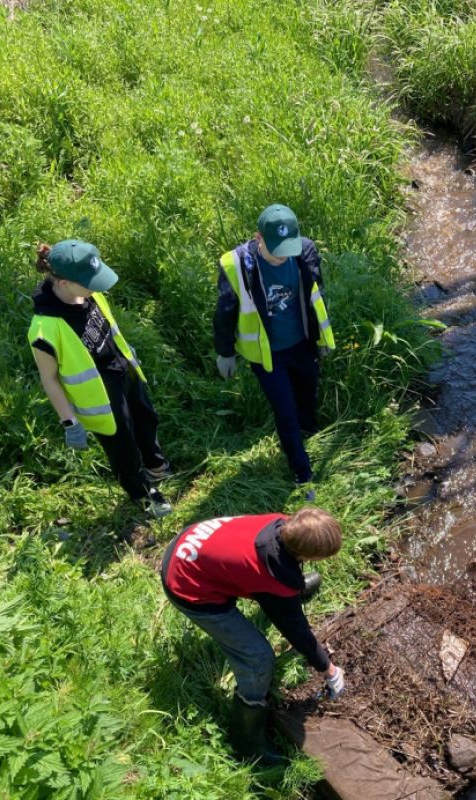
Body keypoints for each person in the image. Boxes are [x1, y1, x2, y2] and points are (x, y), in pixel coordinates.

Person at [161, 507, 345, 766]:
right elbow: (297, 632)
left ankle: (291, 591)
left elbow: (274, 560)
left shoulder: (280, 522)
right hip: (187, 584)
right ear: (303, 554)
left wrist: (290, 585)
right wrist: (329, 669)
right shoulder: (271, 571)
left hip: (190, 543)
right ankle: (246, 741)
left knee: (281, 586)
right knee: (258, 658)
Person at [29, 240, 172, 518]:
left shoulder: (88, 293)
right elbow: (49, 379)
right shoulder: (44, 329)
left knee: (146, 417)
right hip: (100, 393)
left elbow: (108, 328)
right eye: (90, 281)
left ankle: (156, 466)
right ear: (64, 283)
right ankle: (144, 495)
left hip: (123, 370)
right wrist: (69, 421)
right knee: (123, 447)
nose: (97, 286)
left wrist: (127, 354)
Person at [213, 205, 336, 495]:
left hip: (302, 344)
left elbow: (316, 299)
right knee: (285, 411)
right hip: (267, 355)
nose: (283, 257)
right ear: (258, 238)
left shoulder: (304, 251)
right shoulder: (237, 265)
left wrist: (320, 340)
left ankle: (308, 431)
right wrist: (225, 352)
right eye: (276, 250)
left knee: (308, 394)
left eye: (287, 249)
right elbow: (225, 311)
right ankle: (301, 472)